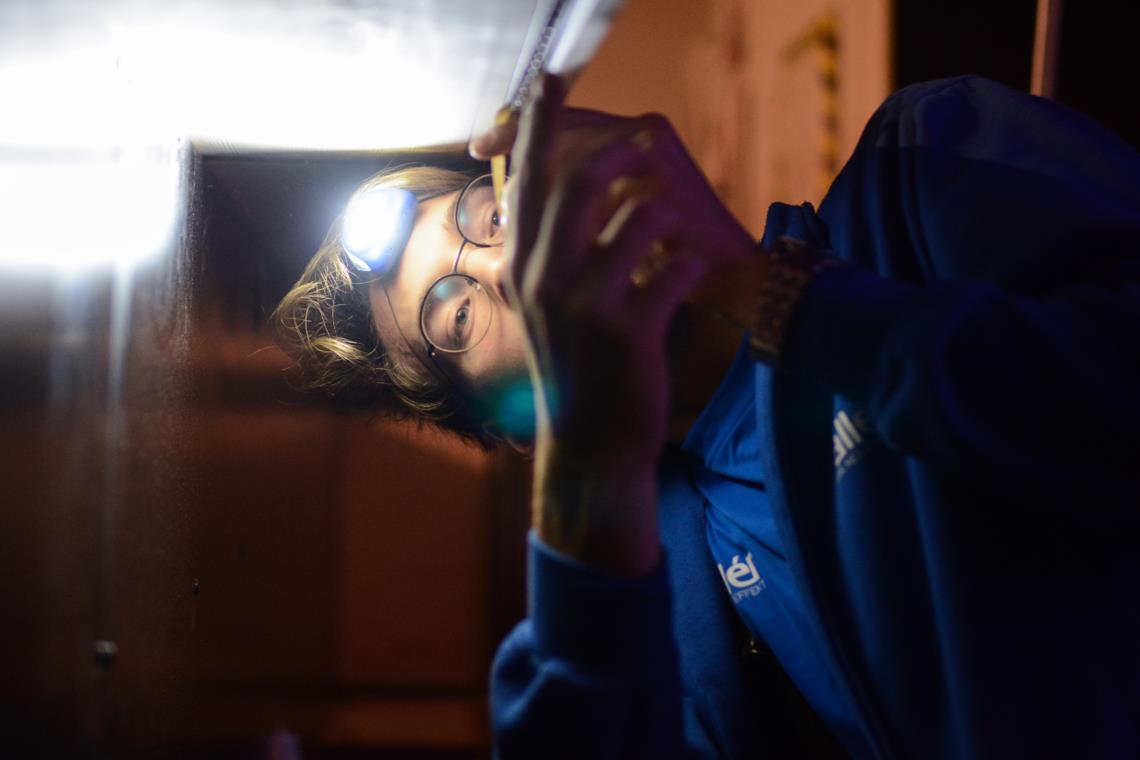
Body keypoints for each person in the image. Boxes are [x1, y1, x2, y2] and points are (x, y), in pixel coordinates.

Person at [275, 73, 1140, 758]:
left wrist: (770, 295)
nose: (504, 266)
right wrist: (594, 473)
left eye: (487, 216)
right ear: (510, 424)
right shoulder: (655, 613)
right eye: (457, 318)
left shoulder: (918, 167)